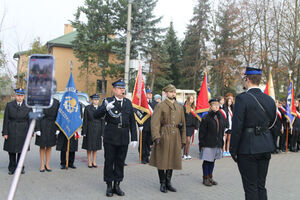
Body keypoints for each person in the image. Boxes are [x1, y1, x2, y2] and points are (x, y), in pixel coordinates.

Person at [230, 67, 277, 200]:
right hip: (265, 145)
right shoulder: (269, 99)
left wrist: (233, 149)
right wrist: (270, 143)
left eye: (244, 79)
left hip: (248, 147)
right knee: (261, 186)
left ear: (248, 79)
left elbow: (237, 126)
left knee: (250, 187)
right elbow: (274, 124)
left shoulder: (242, 99)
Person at [94, 79, 138, 197]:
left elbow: (132, 121)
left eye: (123, 88)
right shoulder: (107, 101)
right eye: (119, 88)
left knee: (120, 162)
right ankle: (109, 186)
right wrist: (105, 108)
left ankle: (117, 185)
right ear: (114, 90)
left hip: (124, 135)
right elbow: (96, 115)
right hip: (111, 135)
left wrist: (134, 137)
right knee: (109, 161)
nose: (122, 90)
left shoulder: (128, 103)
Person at [149, 84, 186, 193]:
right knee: (162, 159)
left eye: (174, 92)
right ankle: (162, 183)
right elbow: (155, 122)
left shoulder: (179, 107)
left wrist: (183, 139)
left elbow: (183, 124)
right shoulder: (160, 106)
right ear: (166, 93)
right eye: (170, 92)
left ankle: (168, 182)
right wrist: (156, 136)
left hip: (175, 136)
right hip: (164, 134)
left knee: (172, 159)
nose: (173, 94)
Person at [2, 88, 32, 175]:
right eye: (18, 95)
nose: (19, 97)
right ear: (15, 96)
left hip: (23, 130)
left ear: (24, 96)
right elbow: (6, 120)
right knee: (11, 150)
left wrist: (30, 132)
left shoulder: (28, 106)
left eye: (21, 96)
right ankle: (11, 168)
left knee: (21, 151)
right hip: (12, 129)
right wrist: (5, 132)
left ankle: (20, 167)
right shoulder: (9, 105)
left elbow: (30, 120)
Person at [199, 98, 226, 186]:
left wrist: (222, 143)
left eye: (217, 105)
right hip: (208, 143)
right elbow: (202, 132)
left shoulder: (220, 116)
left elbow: (222, 130)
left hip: (217, 143)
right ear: (210, 106)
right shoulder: (206, 117)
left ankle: (210, 177)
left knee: (213, 161)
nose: (216, 106)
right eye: (214, 105)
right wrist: (202, 143)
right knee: (207, 161)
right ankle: (205, 178)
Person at [35, 98, 60, 172]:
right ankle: (42, 164)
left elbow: (58, 116)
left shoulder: (56, 102)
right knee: (42, 145)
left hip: (52, 125)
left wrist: (57, 128)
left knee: (49, 145)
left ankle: (47, 164)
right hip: (42, 124)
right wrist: (37, 128)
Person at [82, 94, 104, 168]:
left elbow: (103, 121)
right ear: (92, 100)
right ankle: (89, 162)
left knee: (95, 147)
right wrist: (84, 131)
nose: (96, 101)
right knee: (89, 146)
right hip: (90, 128)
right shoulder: (88, 108)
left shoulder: (101, 108)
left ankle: (94, 161)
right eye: (94, 99)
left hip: (98, 128)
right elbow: (85, 120)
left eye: (97, 100)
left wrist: (103, 132)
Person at [138, 89, 155, 164]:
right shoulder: (142, 104)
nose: (150, 95)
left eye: (151, 94)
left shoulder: (154, 103)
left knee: (149, 142)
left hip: (151, 126)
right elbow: (138, 114)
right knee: (143, 142)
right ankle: (142, 157)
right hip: (144, 125)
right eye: (148, 94)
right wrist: (139, 124)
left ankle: (147, 155)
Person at [183, 95, 198, 160]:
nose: (192, 100)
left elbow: (196, 118)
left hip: (192, 127)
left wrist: (196, 128)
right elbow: (183, 117)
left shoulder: (194, 107)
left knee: (189, 142)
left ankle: (187, 154)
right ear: (188, 100)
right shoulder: (185, 107)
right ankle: (184, 154)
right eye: (191, 99)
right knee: (187, 140)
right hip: (186, 126)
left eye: (193, 99)